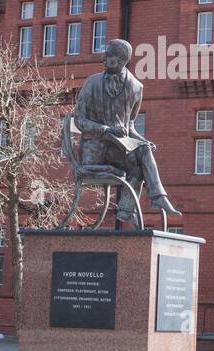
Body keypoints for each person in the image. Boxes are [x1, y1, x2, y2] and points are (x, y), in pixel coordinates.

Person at [73, 39, 181, 224]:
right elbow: (79, 120)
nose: (104, 58)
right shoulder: (92, 83)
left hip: (117, 150)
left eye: (109, 55)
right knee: (140, 159)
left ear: (122, 60)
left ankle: (129, 208)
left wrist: (140, 139)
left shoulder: (136, 88)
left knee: (142, 154)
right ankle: (156, 198)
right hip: (95, 151)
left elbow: (129, 125)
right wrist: (106, 129)